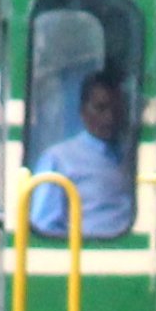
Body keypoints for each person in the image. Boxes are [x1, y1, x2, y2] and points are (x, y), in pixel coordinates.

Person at [30, 70, 135, 238]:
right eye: (101, 108)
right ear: (83, 112)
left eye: (117, 110)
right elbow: (45, 225)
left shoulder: (132, 156)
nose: (109, 118)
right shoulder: (58, 159)